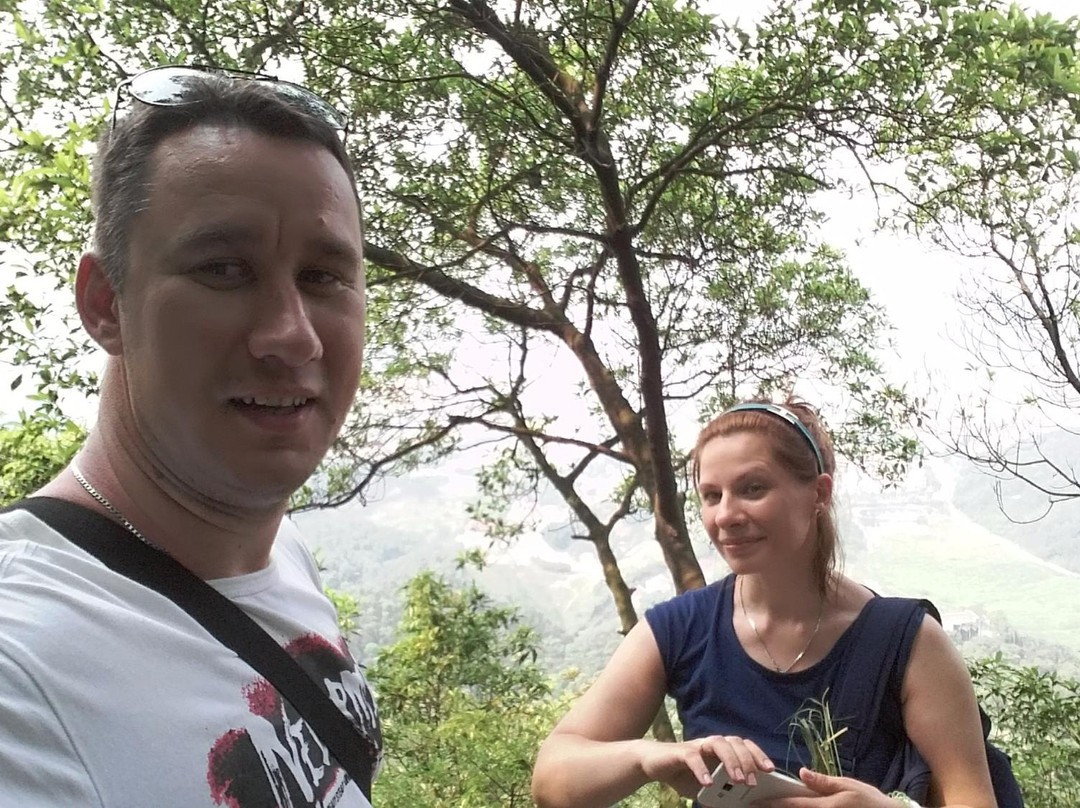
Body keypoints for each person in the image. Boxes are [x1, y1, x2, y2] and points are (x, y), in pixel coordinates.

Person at [0, 66, 382, 806]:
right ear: (105, 303)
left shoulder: (281, 554)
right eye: (224, 269)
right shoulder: (22, 668)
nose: (290, 337)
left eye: (323, 276)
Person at [531, 398, 996, 808]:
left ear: (819, 493)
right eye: (711, 495)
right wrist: (649, 756)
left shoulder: (906, 642)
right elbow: (553, 780)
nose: (726, 516)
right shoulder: (680, 630)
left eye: (752, 489)